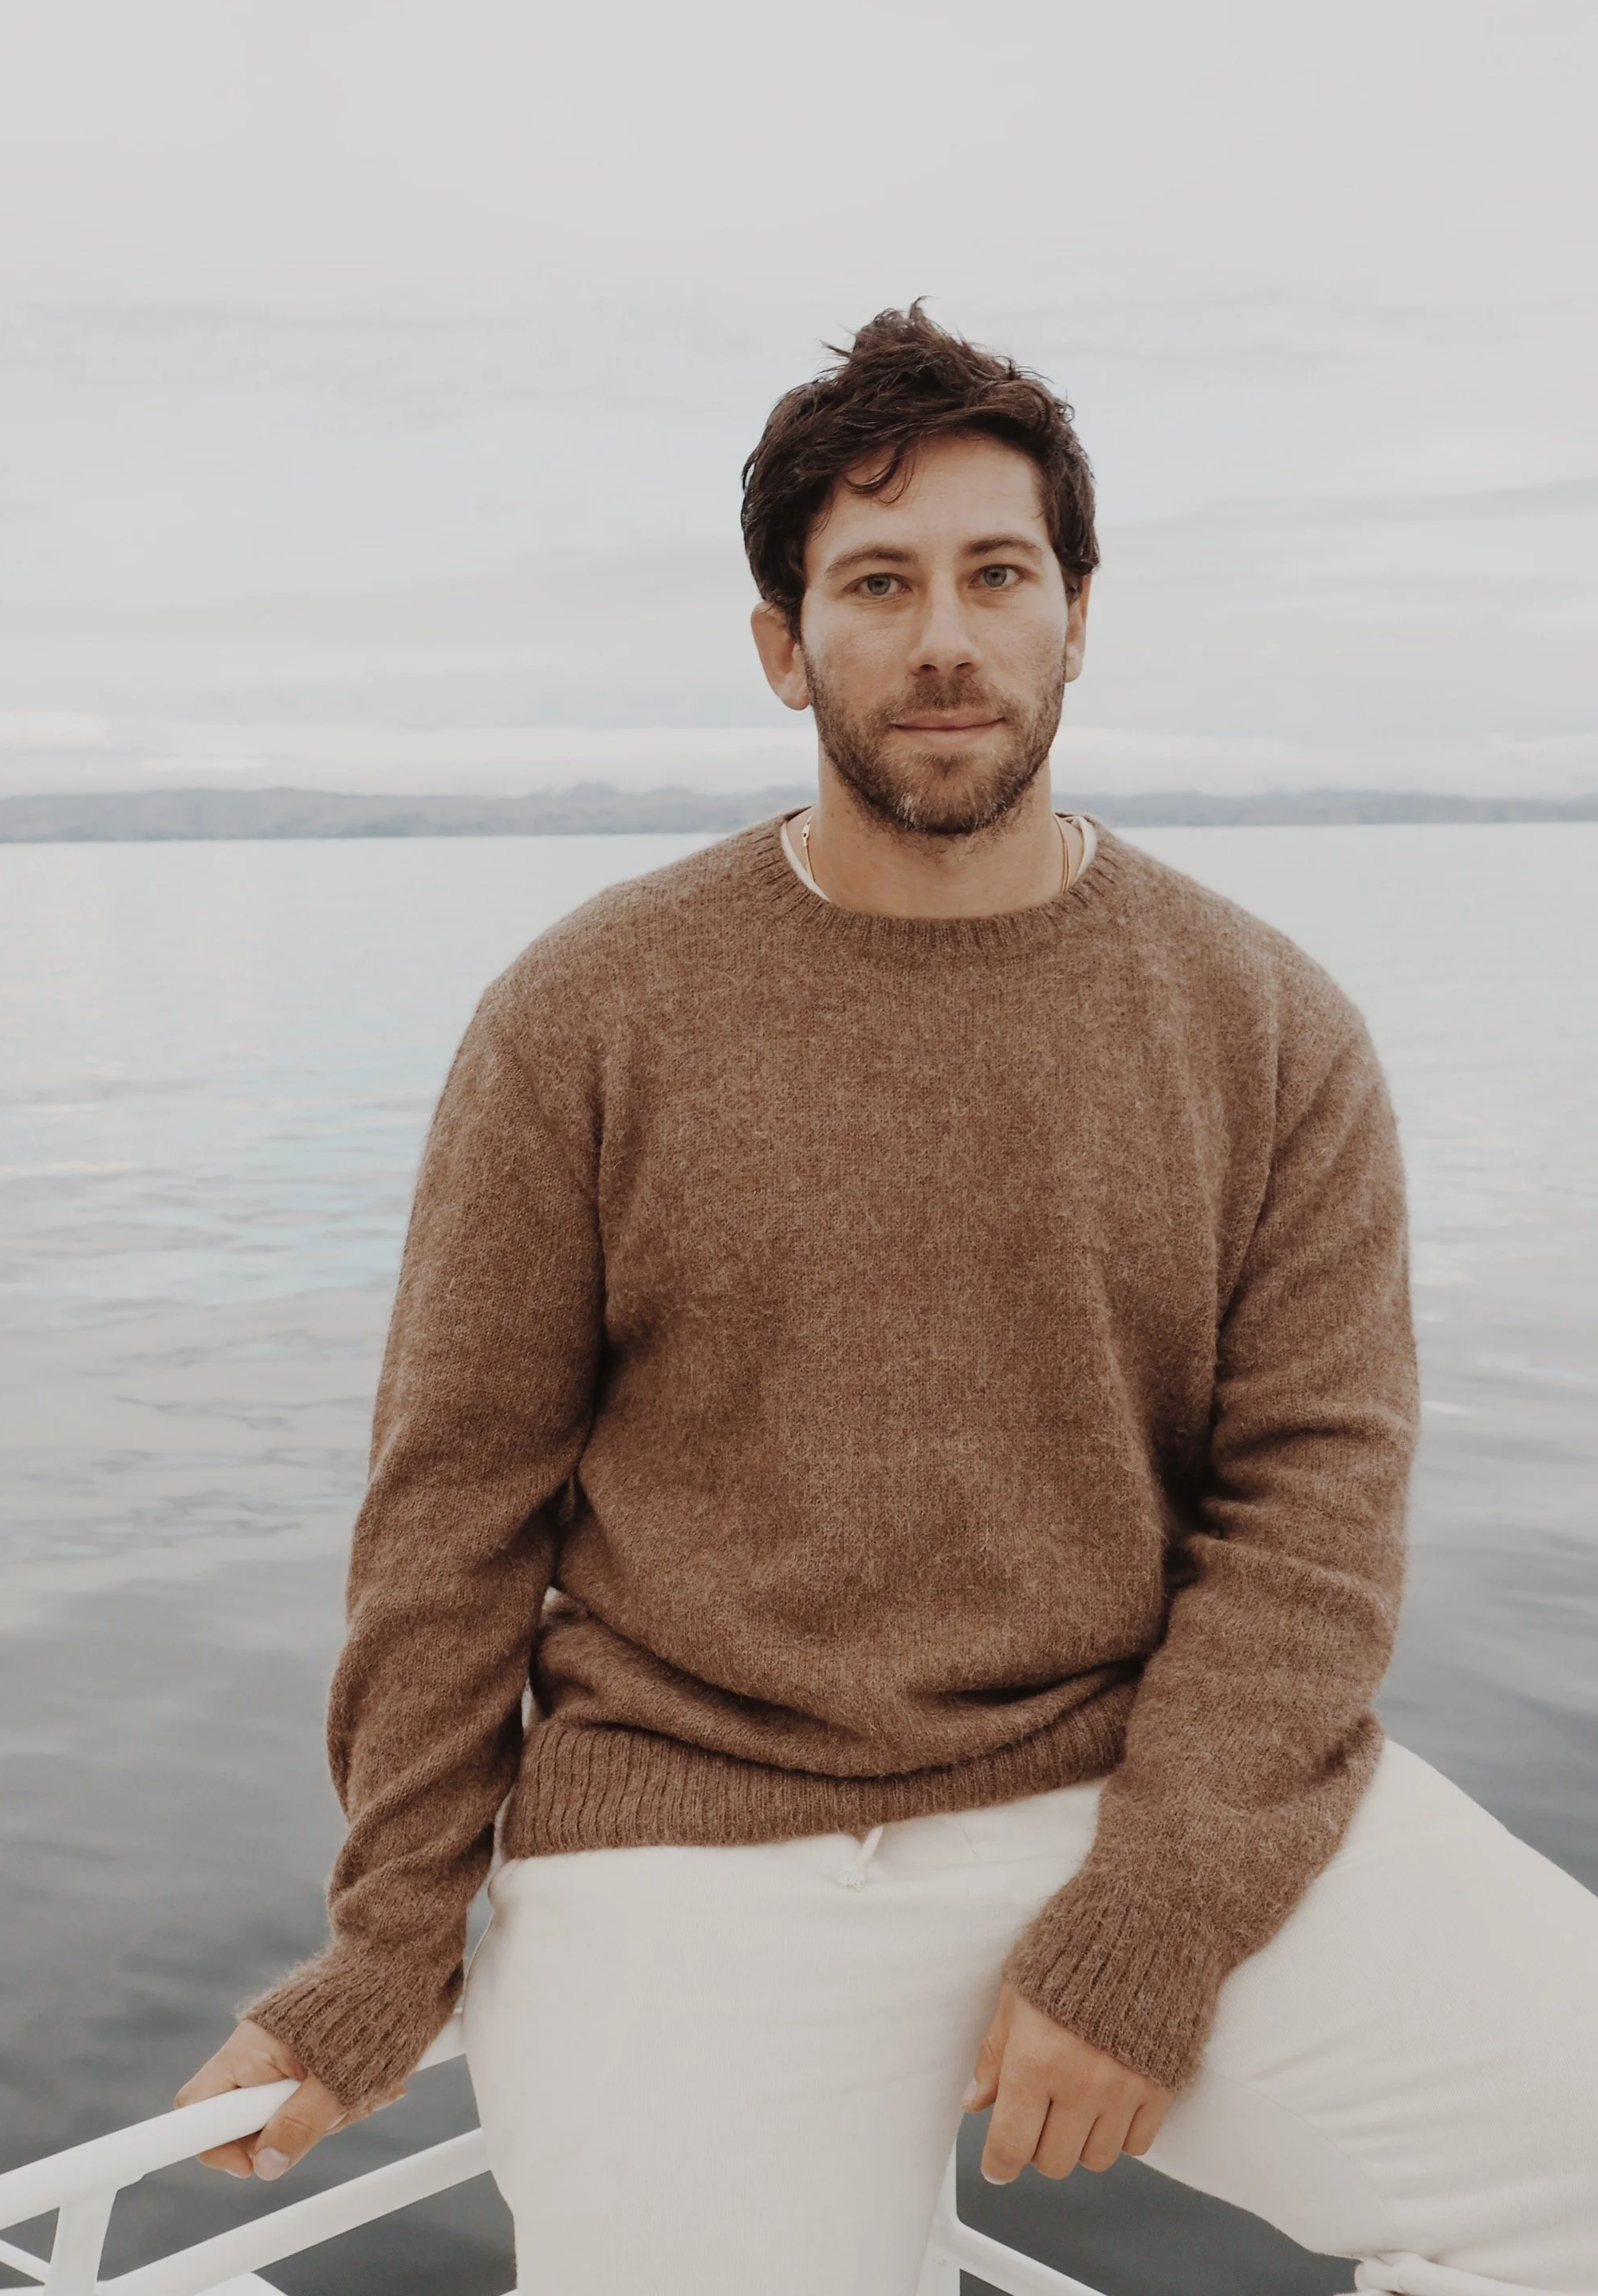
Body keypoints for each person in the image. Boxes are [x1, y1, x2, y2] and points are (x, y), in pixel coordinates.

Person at [177, 305, 1598, 2296]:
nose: (947, 636)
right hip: (688, 1836)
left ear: (1078, 616)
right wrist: (389, 1943)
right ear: (783, 645)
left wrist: (1153, 1921)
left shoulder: (1265, 1022)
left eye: (997, 574)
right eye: (878, 582)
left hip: (1143, 1778)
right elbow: (450, 1520)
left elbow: (1313, 1515)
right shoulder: (587, 1016)